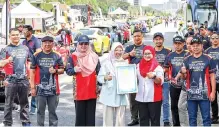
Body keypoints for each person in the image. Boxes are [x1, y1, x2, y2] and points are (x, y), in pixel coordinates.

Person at [181, 36, 216, 126]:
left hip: (205, 93)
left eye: (197, 45)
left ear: (201, 46)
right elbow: (184, 77)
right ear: (190, 47)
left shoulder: (209, 59)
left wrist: (213, 92)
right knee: (192, 118)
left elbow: (212, 76)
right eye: (193, 46)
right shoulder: (186, 59)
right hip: (191, 94)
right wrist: (183, 73)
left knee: (206, 118)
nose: (195, 47)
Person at [65, 35, 100, 126]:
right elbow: (68, 71)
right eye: (81, 44)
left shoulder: (94, 56)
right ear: (78, 45)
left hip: (92, 91)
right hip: (79, 91)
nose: (83, 46)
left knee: (90, 117)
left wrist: (100, 85)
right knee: (80, 117)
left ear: (89, 45)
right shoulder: (73, 56)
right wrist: (74, 70)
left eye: (86, 44)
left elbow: (99, 72)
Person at [0, 28, 31, 126]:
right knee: (8, 104)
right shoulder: (5, 49)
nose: (15, 36)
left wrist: (29, 77)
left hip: (23, 79)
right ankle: (7, 123)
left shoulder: (25, 48)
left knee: (24, 103)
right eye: (13, 35)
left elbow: (29, 62)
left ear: (20, 35)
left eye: (17, 34)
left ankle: (25, 122)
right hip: (10, 80)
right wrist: (8, 60)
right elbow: (0, 63)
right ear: (9, 37)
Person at [97, 42, 128, 126]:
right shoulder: (106, 64)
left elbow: (128, 78)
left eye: (120, 50)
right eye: (116, 50)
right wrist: (105, 78)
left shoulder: (125, 63)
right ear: (112, 51)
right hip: (108, 94)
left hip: (121, 94)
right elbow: (99, 78)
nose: (118, 52)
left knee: (120, 119)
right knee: (107, 119)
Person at [136, 45, 164, 126]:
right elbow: (134, 78)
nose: (147, 55)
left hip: (154, 99)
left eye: (149, 53)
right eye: (145, 54)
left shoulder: (158, 67)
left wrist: (154, 77)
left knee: (155, 121)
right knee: (143, 120)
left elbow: (160, 81)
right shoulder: (138, 66)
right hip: (141, 98)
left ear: (153, 54)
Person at [122, 29, 146, 126]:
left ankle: (143, 117)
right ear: (133, 37)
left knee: (144, 96)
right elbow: (122, 57)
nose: (137, 38)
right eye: (135, 36)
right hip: (131, 75)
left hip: (144, 76)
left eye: (139, 36)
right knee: (133, 98)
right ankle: (134, 118)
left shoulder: (146, 47)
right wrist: (129, 54)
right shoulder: (129, 47)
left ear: (142, 37)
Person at [164, 36, 187, 126]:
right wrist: (168, 77)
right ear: (173, 44)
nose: (177, 46)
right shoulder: (170, 55)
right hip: (174, 85)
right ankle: (176, 124)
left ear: (183, 44)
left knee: (185, 107)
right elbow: (165, 68)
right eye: (176, 44)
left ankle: (185, 123)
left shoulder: (187, 54)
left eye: (179, 44)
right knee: (174, 106)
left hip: (186, 85)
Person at [22, 25, 41, 115]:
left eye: (25, 30)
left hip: (32, 65)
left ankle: (33, 108)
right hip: (24, 65)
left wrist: (31, 58)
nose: (23, 32)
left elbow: (38, 51)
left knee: (33, 86)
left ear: (30, 31)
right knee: (24, 86)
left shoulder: (36, 41)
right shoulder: (24, 41)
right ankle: (24, 106)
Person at [153, 32, 171, 126]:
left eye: (160, 39)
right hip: (153, 80)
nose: (158, 41)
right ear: (153, 40)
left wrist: (163, 70)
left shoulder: (168, 51)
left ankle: (166, 120)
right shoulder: (150, 51)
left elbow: (170, 65)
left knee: (165, 101)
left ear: (163, 40)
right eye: (156, 39)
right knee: (154, 101)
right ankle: (155, 120)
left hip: (165, 80)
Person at [205, 32, 219, 124]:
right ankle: (215, 117)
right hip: (212, 79)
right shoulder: (207, 51)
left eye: (216, 38)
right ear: (210, 40)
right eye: (213, 38)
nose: (215, 39)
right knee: (213, 99)